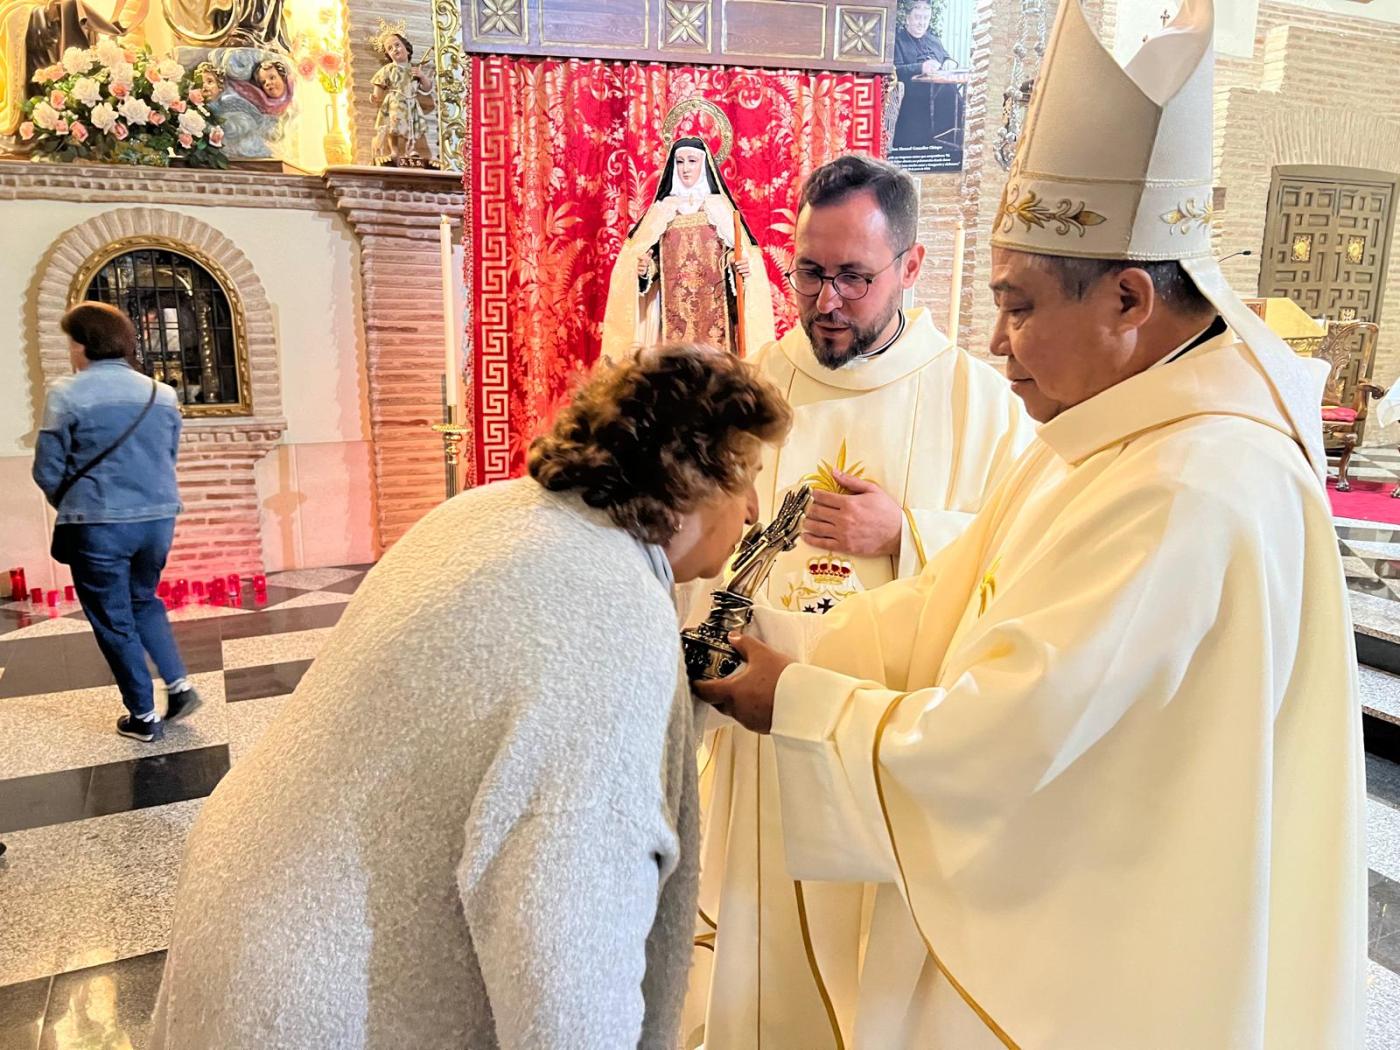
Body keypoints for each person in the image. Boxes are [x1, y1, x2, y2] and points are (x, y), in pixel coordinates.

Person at [696, 0, 1366, 1044]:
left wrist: (805, 701)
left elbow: (1003, 737)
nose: (996, 343)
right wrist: (789, 641)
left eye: (1015, 305)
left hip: (1105, 939)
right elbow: (957, 598)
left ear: (1128, 301)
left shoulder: (1193, 482)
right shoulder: (1114, 425)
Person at [149, 344, 793, 1050]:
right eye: (749, 475)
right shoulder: (609, 607)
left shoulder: (491, 511)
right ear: (691, 482)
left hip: (249, 927)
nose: (758, 508)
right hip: (320, 1000)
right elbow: (567, 935)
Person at [685, 154, 1033, 1049]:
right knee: (769, 953)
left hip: (888, 729)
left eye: (854, 277)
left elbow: (1024, 554)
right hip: (769, 720)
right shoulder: (765, 378)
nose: (826, 300)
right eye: (809, 272)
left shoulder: (978, 401)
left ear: (910, 269)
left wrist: (909, 531)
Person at [32, 302, 199, 743]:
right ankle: (179, 685)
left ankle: (143, 717)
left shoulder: (66, 393)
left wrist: (71, 501)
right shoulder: (161, 394)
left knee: (112, 618)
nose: (71, 351)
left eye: (72, 342)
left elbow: (47, 470)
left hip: (99, 523)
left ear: (84, 343)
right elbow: (167, 457)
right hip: (158, 520)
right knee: (143, 599)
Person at [602, 136, 777, 361]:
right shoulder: (662, 212)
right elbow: (653, 261)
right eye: (680, 162)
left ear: (703, 164)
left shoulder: (721, 210)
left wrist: (737, 263)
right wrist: (646, 270)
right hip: (673, 316)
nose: (685, 169)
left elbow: (737, 255)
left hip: (716, 314)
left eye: (692, 161)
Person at [891, 0, 962, 153]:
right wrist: (920, 67)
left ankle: (951, 147)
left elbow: (946, 58)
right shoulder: (897, 40)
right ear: (907, 18)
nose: (921, 22)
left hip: (943, 97)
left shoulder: (934, 40)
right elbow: (894, 70)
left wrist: (949, 62)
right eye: (917, 17)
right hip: (913, 99)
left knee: (958, 103)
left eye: (925, 18)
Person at [369, 23, 436, 168]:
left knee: (412, 128)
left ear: (407, 47)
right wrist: (375, 96)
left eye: (397, 45)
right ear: (388, 54)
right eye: (390, 49)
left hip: (411, 102)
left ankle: (411, 150)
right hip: (395, 102)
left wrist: (422, 76)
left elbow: (427, 88)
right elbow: (379, 84)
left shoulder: (414, 69)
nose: (395, 49)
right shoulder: (388, 69)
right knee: (393, 127)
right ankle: (394, 151)